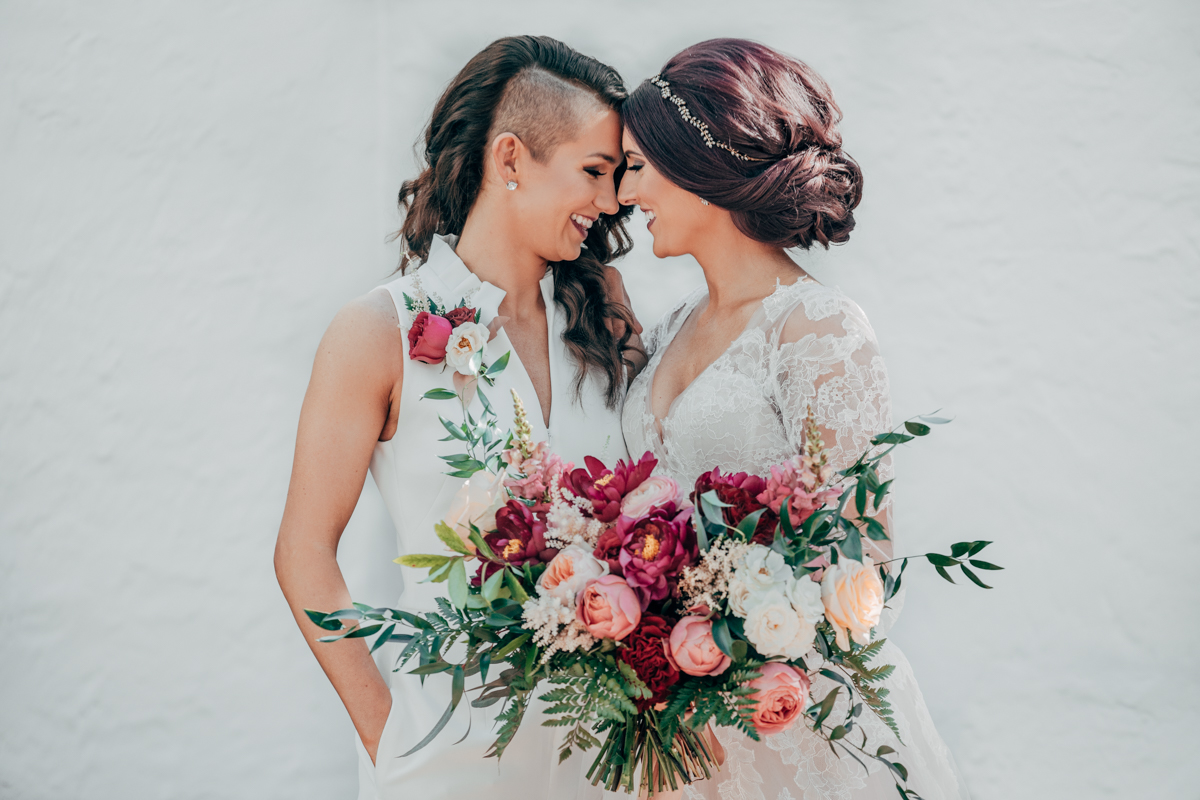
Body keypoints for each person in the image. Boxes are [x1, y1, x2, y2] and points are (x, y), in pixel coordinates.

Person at [273, 35, 642, 800]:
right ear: (510, 160)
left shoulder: (601, 318)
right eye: (594, 173)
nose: (609, 205)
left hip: (601, 750)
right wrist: (387, 739)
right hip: (446, 756)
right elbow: (304, 553)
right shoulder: (376, 333)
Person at [617, 39, 971, 800]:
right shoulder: (669, 325)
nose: (625, 191)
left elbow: (864, 561)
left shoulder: (818, 328)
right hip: (672, 727)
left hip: (790, 721)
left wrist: (739, 651)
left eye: (638, 166)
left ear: (697, 168)